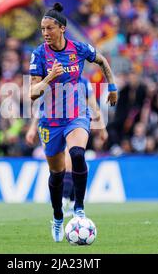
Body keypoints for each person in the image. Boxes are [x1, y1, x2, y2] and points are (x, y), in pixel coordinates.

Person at [29, 3, 118, 242]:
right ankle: (58, 217)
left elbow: (102, 61)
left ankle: (79, 208)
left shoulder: (79, 49)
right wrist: (50, 76)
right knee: (56, 175)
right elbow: (32, 93)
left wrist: (112, 86)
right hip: (50, 121)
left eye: (49, 28)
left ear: (62, 28)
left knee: (78, 154)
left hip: (76, 115)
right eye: (42, 29)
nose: (45, 33)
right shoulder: (39, 54)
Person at [25, 77, 109, 218]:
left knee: (72, 157)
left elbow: (94, 106)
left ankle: (67, 200)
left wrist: (102, 128)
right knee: (60, 167)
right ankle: (68, 200)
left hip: (75, 124)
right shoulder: (52, 80)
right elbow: (41, 107)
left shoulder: (83, 82)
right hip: (53, 126)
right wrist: (33, 128)